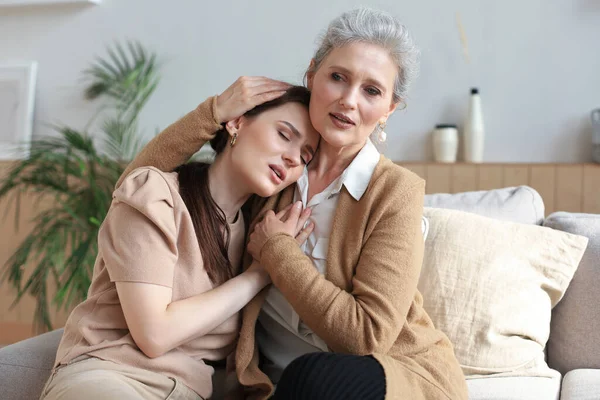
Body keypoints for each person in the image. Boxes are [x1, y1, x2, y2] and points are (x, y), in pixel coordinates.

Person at [117, 7, 468, 400]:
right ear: (312, 75)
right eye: (337, 77)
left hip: (391, 374)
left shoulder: (395, 193)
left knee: (315, 379)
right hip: (281, 385)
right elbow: (135, 185)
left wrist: (277, 251)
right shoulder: (275, 174)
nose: (349, 101)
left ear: (388, 109)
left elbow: (366, 337)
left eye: (372, 91)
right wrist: (213, 112)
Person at [39, 86, 320, 400]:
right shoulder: (154, 194)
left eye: (306, 155)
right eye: (284, 135)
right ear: (237, 123)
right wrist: (258, 275)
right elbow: (154, 333)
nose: (293, 157)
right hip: (111, 377)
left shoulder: (254, 232)